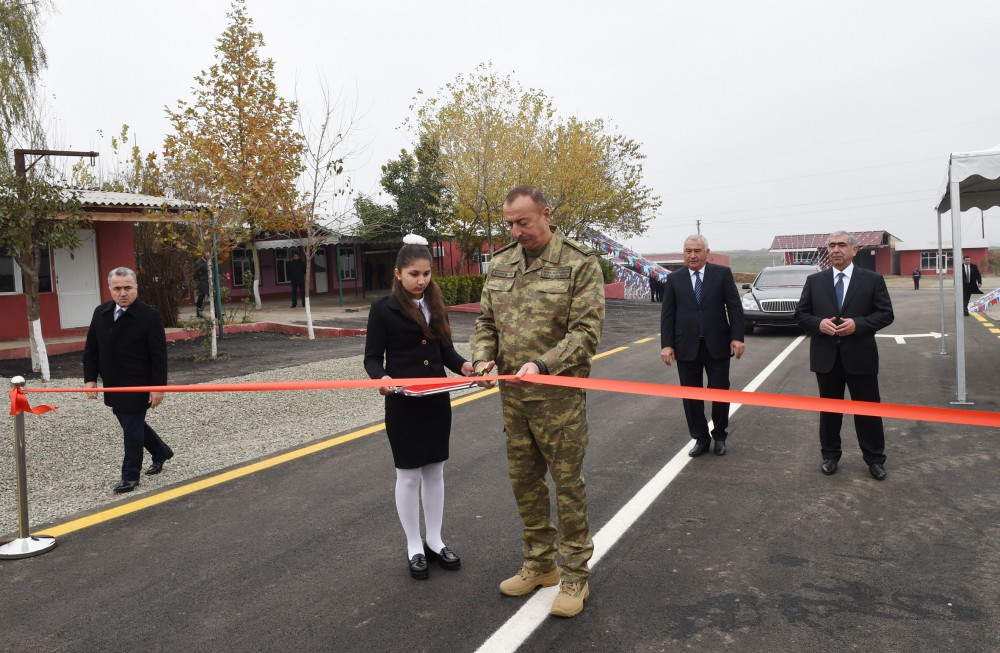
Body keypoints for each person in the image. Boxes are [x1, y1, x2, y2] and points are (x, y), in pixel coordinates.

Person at [470, 184, 605, 618]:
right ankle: (540, 563)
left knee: (567, 487)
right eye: (509, 223)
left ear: (546, 214)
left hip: (558, 400)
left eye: (523, 222)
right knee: (525, 485)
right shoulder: (501, 263)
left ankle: (575, 574)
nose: (515, 231)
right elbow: (485, 322)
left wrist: (543, 365)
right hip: (513, 400)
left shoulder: (579, 263)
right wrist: (481, 359)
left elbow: (585, 334)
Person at [364, 235, 474, 580]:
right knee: (409, 475)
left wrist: (468, 366)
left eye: (426, 273)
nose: (421, 280)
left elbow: (447, 353)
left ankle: (435, 540)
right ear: (398, 273)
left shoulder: (436, 304)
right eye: (414, 273)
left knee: (435, 471)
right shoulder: (383, 308)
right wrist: (381, 378)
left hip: (436, 401)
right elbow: (371, 358)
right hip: (403, 402)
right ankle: (414, 546)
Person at [795, 231, 894, 480]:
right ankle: (829, 456)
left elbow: (885, 314)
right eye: (831, 246)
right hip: (826, 358)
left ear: (854, 250)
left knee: (867, 410)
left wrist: (858, 324)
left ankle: (874, 459)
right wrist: (819, 324)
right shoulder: (815, 281)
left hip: (860, 356)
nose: (836, 249)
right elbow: (800, 314)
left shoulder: (872, 280)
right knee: (829, 411)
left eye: (841, 245)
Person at [84, 267, 173, 494]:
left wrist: (157, 387)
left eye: (127, 288)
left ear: (136, 288)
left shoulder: (150, 316)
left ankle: (130, 476)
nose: (123, 293)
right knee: (130, 423)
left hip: (139, 384)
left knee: (131, 429)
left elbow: (159, 356)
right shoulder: (100, 313)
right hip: (113, 383)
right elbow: (91, 349)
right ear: (110, 290)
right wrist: (90, 379)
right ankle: (161, 451)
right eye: (117, 288)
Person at [660, 235, 745, 457]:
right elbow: (667, 314)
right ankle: (700, 437)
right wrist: (667, 344)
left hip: (717, 344)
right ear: (684, 253)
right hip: (686, 346)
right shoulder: (674, 279)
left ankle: (719, 436)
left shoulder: (722, 274)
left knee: (720, 392)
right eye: (688, 251)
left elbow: (735, 307)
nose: (693, 255)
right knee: (691, 396)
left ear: (707, 253)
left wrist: (737, 337)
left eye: (697, 251)